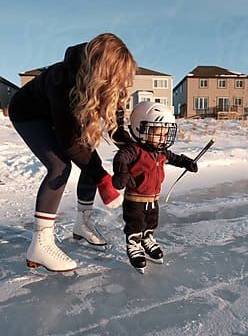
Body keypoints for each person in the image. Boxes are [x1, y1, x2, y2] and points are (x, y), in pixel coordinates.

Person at [8, 33, 136, 272]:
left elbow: (116, 126)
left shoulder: (109, 84)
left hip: (60, 116)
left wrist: (132, 147)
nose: (120, 84)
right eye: (117, 77)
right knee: (60, 166)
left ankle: (82, 224)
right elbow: (70, 143)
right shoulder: (63, 79)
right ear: (102, 71)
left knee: (90, 158)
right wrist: (102, 179)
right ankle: (41, 245)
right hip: (29, 113)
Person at [112, 101, 198, 273]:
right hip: (135, 199)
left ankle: (147, 238)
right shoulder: (135, 150)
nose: (163, 138)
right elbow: (120, 158)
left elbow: (175, 158)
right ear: (140, 129)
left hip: (153, 198)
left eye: (166, 133)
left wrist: (187, 162)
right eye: (159, 134)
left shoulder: (161, 151)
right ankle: (134, 243)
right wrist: (122, 174)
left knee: (151, 221)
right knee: (135, 224)